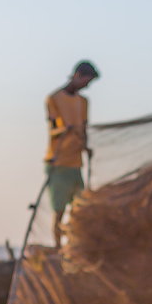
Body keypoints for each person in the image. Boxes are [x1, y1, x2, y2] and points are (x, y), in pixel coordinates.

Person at [44, 60, 99, 247]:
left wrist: (86, 147)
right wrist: (64, 130)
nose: (86, 86)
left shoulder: (83, 102)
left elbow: (83, 130)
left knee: (80, 208)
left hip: (76, 162)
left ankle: (75, 246)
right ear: (77, 76)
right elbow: (53, 129)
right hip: (58, 162)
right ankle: (58, 248)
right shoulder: (53, 99)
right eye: (86, 81)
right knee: (59, 209)